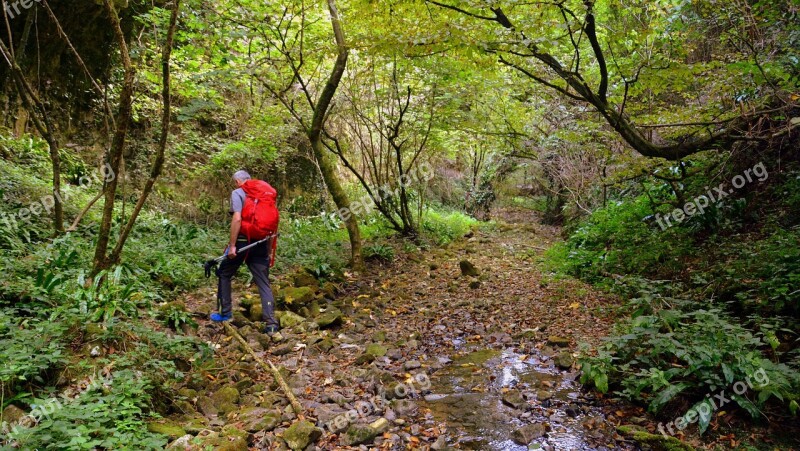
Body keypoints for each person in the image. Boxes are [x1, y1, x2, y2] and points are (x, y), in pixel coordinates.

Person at [210, 170, 280, 335]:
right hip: (262, 242)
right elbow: (270, 225)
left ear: (237, 181)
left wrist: (232, 246)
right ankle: (271, 324)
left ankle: (225, 313)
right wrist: (269, 250)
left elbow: (237, 219)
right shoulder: (265, 195)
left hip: (242, 241)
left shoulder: (238, 193)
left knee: (224, 273)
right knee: (263, 282)